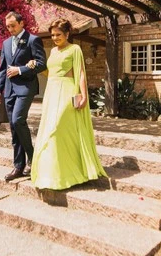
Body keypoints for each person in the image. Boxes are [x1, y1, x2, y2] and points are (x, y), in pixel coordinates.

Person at [27, 18, 107, 190]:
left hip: (67, 91)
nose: (55, 38)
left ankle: (72, 172)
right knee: (51, 130)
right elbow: (51, 74)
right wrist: (37, 66)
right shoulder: (54, 51)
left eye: (58, 34)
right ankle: (53, 176)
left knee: (58, 128)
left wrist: (84, 96)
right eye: (53, 35)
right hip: (51, 92)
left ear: (67, 34)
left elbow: (81, 73)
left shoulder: (75, 49)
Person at [0, 11, 47, 182]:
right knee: (14, 129)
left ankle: (33, 158)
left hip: (26, 87)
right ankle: (19, 166)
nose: (10, 29)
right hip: (9, 90)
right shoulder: (6, 43)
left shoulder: (33, 40)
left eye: (13, 26)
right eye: (8, 26)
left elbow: (41, 63)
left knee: (18, 120)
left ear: (22, 23)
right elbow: (2, 68)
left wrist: (21, 69)